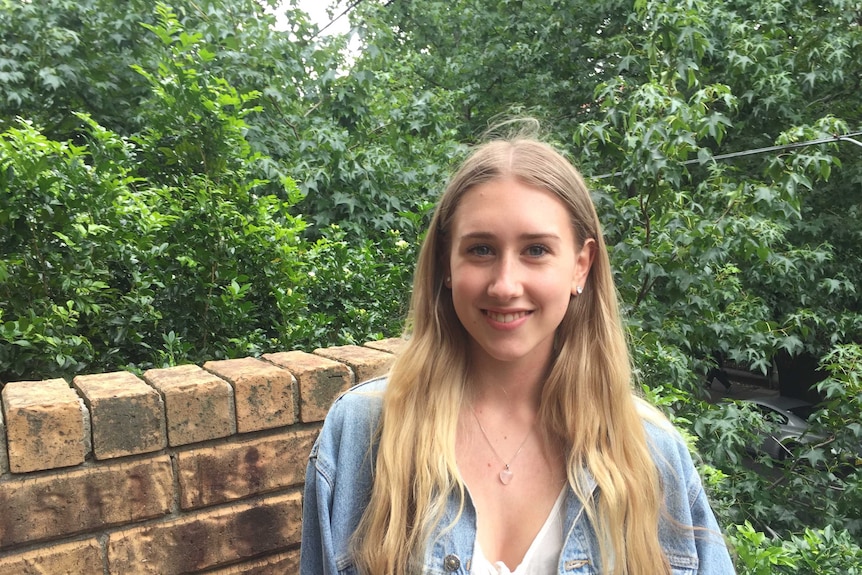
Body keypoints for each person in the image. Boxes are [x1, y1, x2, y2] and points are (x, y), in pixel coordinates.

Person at [300, 133, 735, 574]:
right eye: (481, 249)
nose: (505, 285)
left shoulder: (652, 456)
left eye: (536, 250)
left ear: (581, 265)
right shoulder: (362, 434)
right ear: (446, 266)